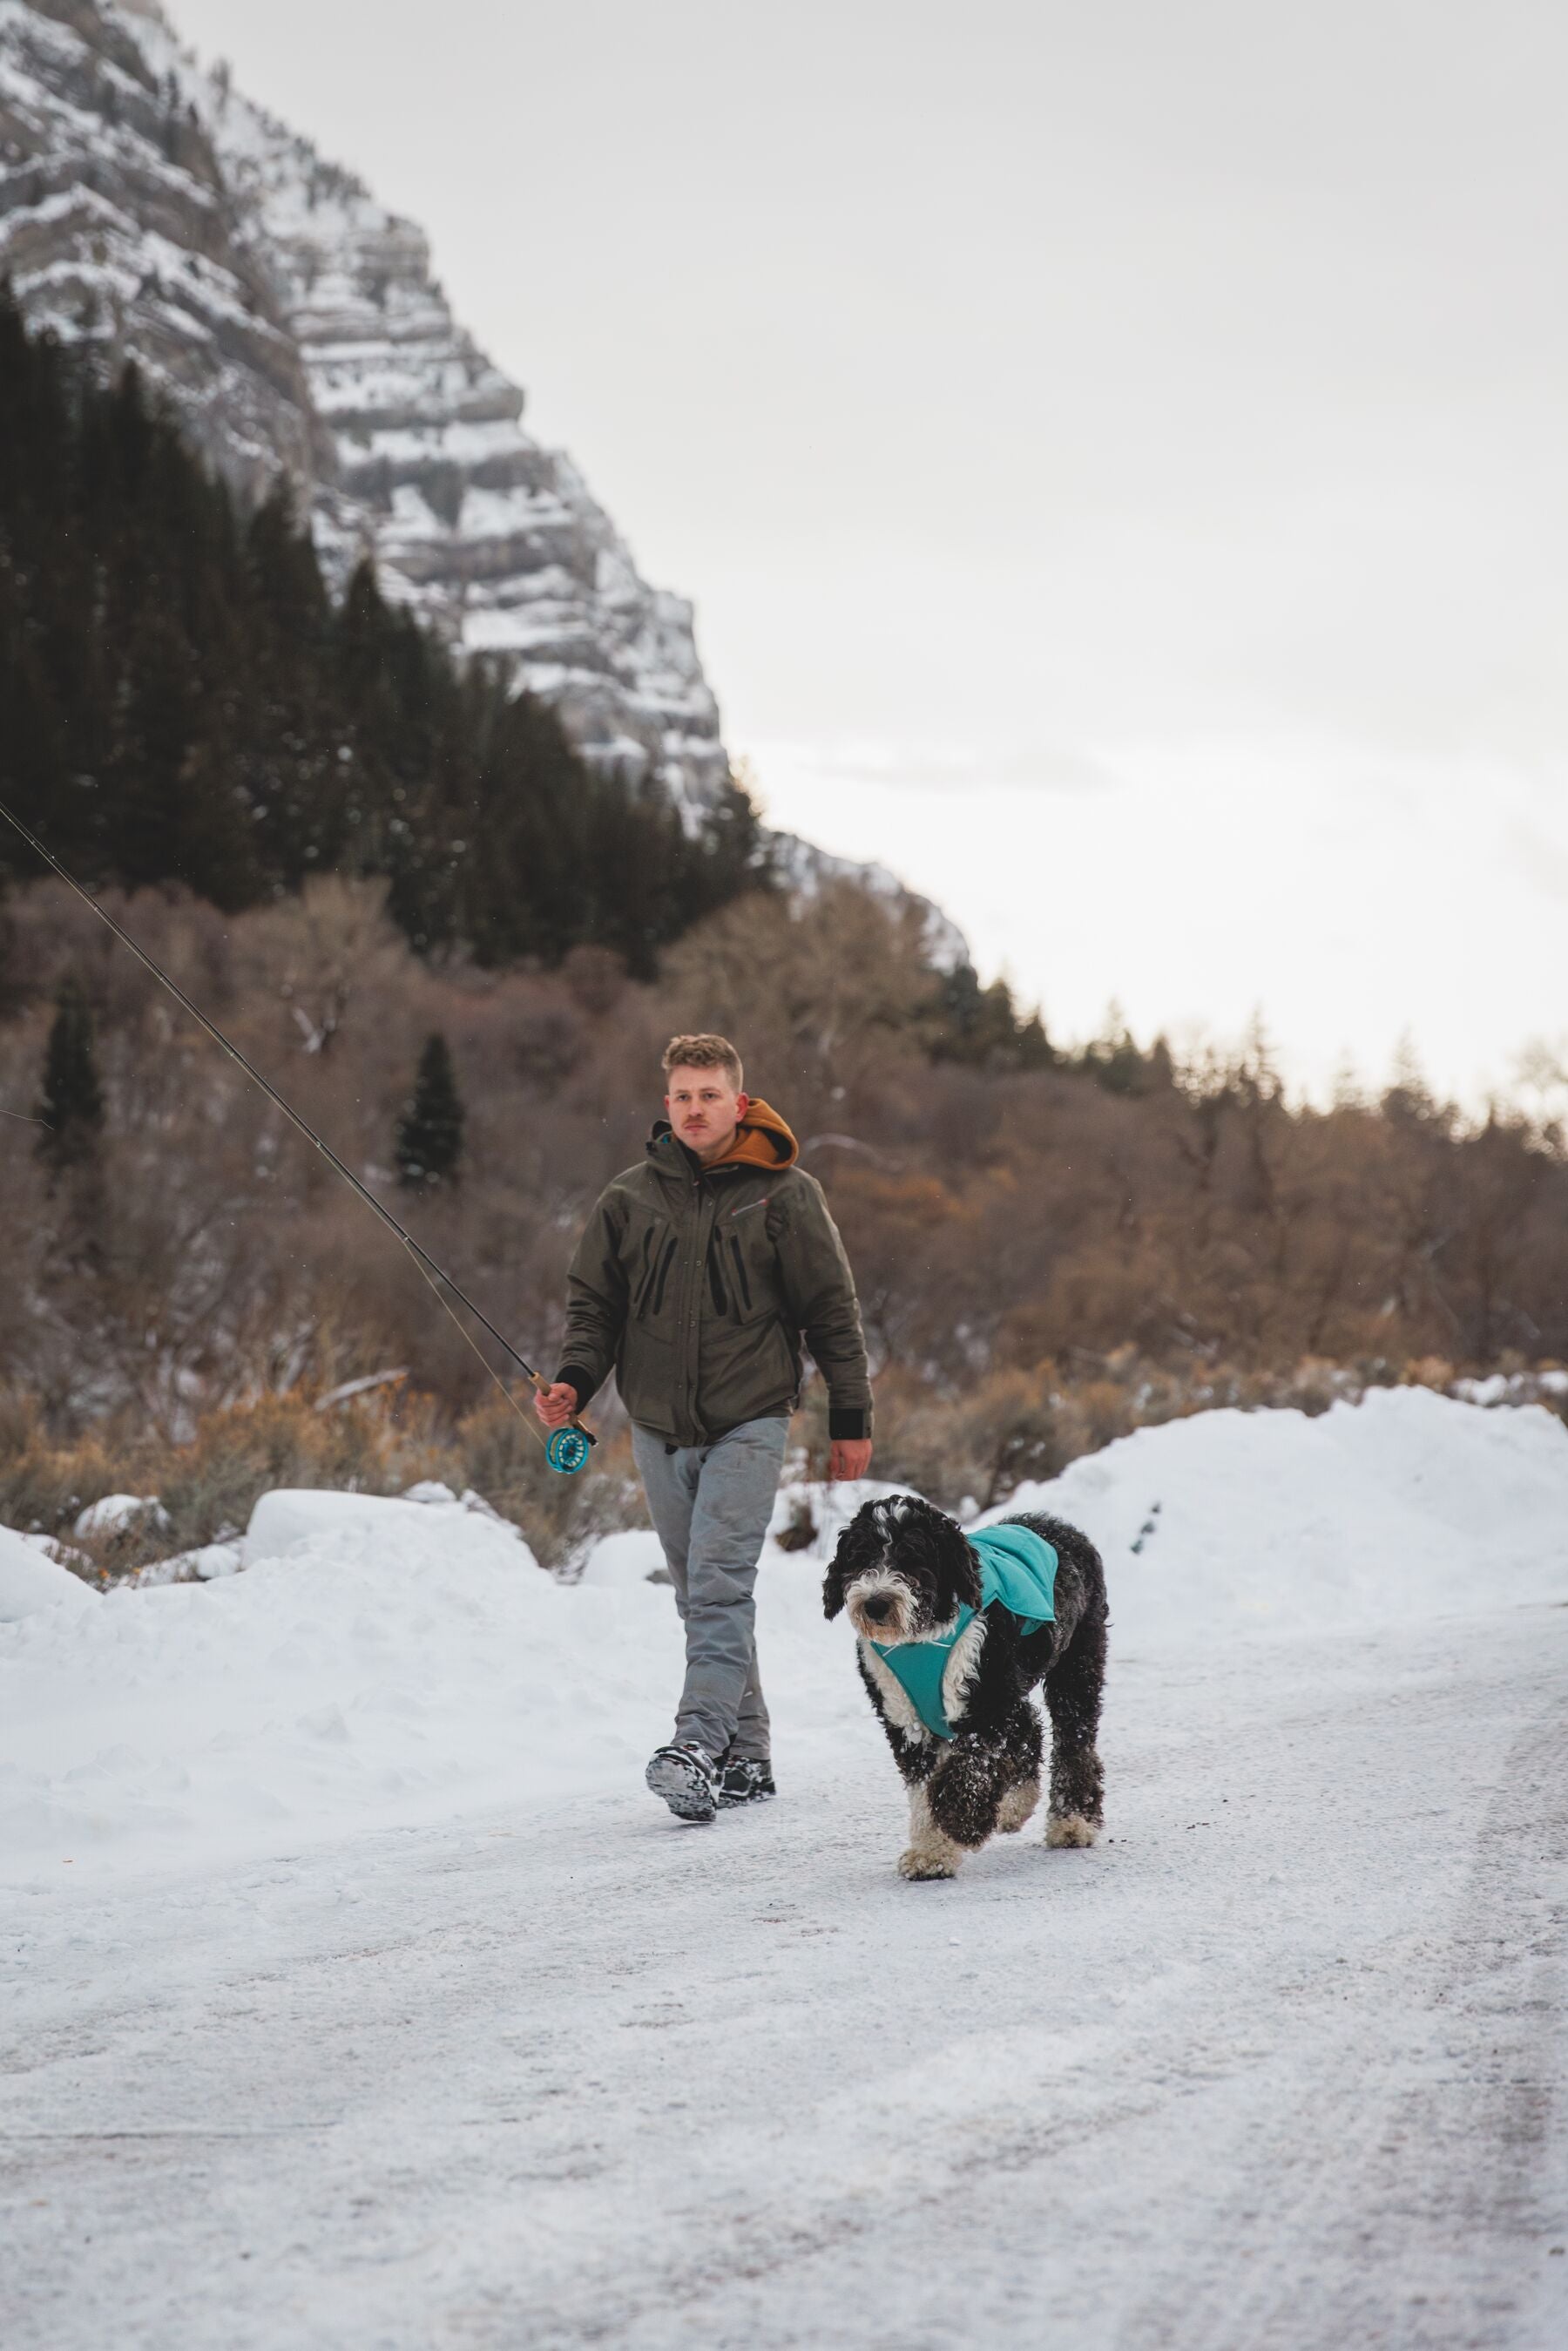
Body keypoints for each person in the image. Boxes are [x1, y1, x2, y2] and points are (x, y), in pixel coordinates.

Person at [536, 1033, 873, 1822]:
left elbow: (832, 1313)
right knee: (699, 1599)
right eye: (683, 1096)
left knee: (720, 1588)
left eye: (709, 1095)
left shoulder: (785, 1196)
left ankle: (696, 1744)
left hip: (749, 1419)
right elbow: (595, 1312)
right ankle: (748, 1759)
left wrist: (849, 1418)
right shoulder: (628, 1198)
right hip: (655, 1427)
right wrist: (574, 1383)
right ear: (667, 1107)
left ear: (740, 1102)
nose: (695, 1109)